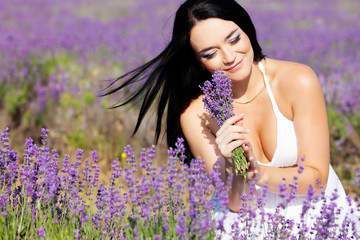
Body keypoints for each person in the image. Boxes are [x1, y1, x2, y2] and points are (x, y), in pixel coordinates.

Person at [106, 0, 359, 238]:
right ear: (198, 61)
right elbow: (237, 204)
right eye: (210, 53)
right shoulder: (198, 114)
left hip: (318, 210)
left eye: (234, 38)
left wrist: (260, 174)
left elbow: (317, 178)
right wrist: (236, 169)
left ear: (246, 28)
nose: (229, 57)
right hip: (247, 220)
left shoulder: (297, 80)